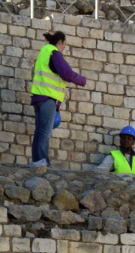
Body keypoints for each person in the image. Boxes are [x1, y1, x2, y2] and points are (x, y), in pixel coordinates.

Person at [31, 31, 86, 168]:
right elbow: (67, 73)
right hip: (48, 98)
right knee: (45, 133)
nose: (65, 47)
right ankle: (44, 163)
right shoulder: (54, 53)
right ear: (60, 42)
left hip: (38, 97)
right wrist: (83, 80)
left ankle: (37, 162)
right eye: (65, 44)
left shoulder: (44, 51)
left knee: (39, 133)